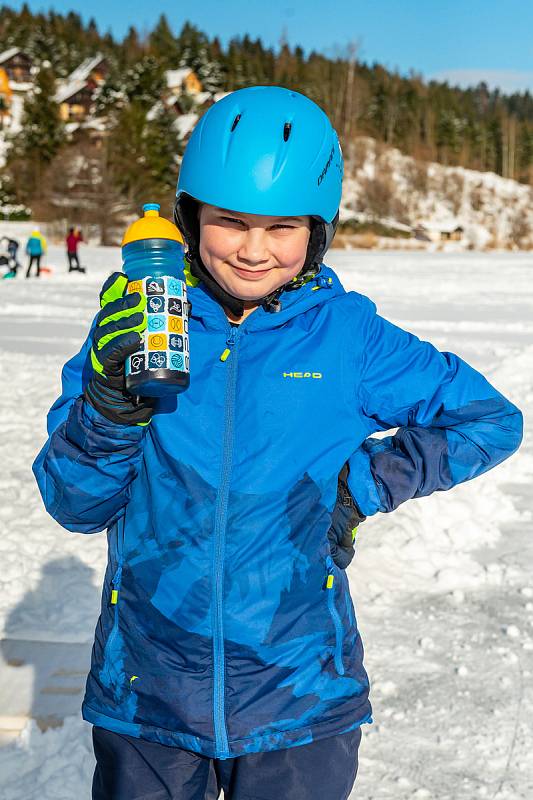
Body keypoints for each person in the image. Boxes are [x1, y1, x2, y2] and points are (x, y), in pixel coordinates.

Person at [33, 87, 523, 800]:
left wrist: (360, 486)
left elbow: (487, 419)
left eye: (282, 227)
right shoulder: (138, 322)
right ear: (188, 218)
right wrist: (108, 406)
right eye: (230, 222)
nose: (254, 251)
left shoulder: (347, 337)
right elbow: (75, 503)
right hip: (149, 695)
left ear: (316, 230)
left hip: (299, 698)